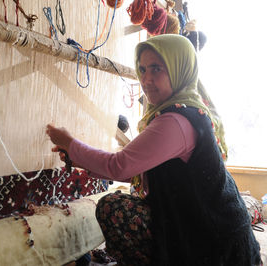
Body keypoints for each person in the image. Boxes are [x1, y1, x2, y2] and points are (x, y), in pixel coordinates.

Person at [46, 34, 261, 265]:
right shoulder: (186, 111)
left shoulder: (176, 120)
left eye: (157, 69)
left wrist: (70, 142)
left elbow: (119, 166)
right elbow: (138, 170)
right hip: (214, 228)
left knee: (113, 208)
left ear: (179, 69)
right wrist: (82, 161)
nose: (146, 79)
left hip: (216, 243)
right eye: (143, 69)